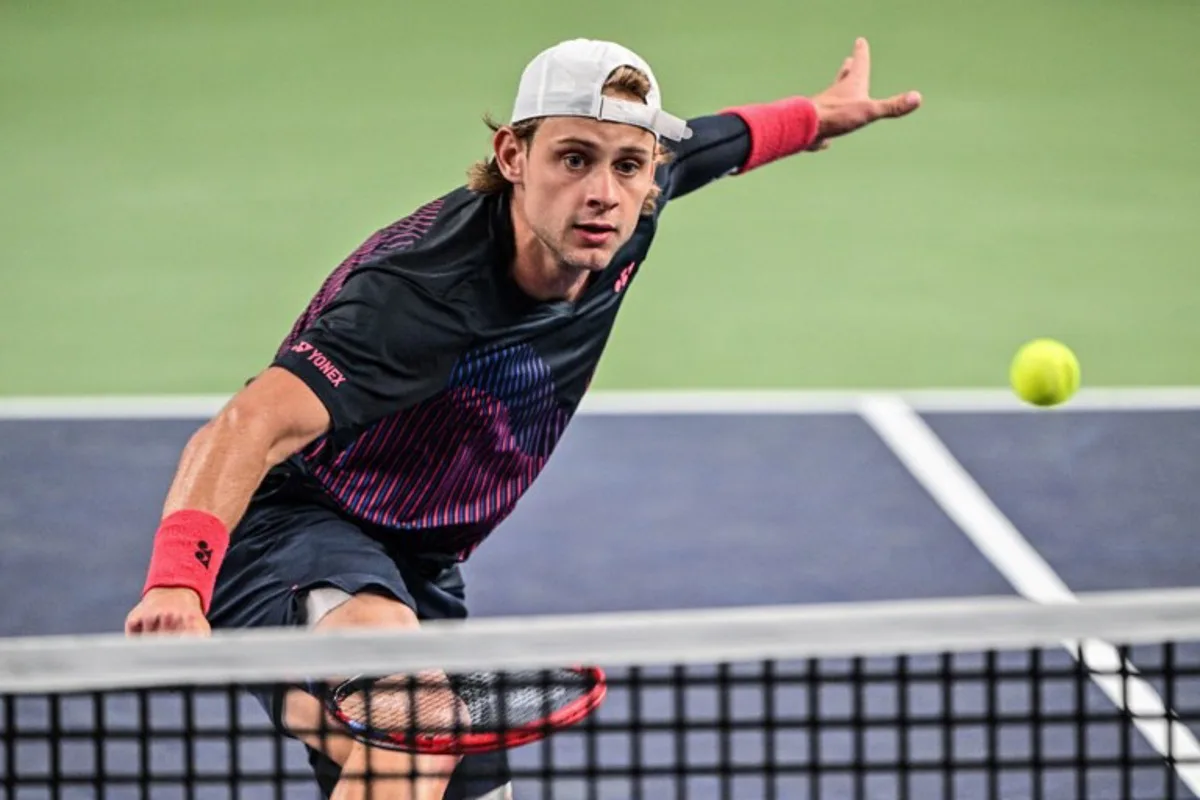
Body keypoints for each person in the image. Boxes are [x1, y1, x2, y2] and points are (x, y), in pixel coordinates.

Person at [123, 36, 921, 800]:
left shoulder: (630, 210)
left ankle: (324, 719)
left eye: (628, 166)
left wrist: (817, 117)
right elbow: (245, 428)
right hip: (293, 527)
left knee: (433, 772)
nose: (602, 192)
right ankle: (335, 709)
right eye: (572, 159)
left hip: (421, 555)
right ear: (513, 157)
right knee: (412, 711)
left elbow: (719, 144)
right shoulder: (413, 294)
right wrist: (177, 582)